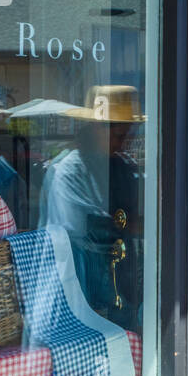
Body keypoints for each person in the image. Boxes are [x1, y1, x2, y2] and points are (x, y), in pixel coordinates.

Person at [41, 86, 146, 327]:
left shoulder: (121, 166)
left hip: (119, 283)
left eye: (129, 135)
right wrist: (131, 226)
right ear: (97, 129)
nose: (125, 143)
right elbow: (84, 229)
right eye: (120, 136)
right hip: (83, 284)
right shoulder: (68, 170)